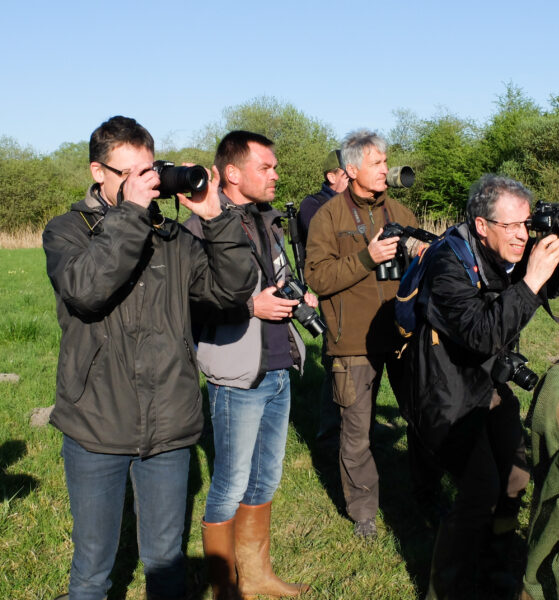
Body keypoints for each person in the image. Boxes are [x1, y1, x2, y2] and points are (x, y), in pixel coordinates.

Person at [42, 116, 257, 600]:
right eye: (130, 173)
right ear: (99, 172)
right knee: (93, 571)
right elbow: (86, 291)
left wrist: (215, 217)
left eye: (150, 171)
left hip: (169, 423)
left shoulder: (173, 238)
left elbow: (233, 290)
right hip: (96, 422)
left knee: (165, 563)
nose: (146, 183)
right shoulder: (67, 232)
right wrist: (133, 215)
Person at [403, 174, 559, 598]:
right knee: (479, 489)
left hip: (488, 379)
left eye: (526, 224)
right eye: (511, 226)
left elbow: (555, 284)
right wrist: (531, 281)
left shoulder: (506, 251)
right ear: (481, 225)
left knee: (515, 475)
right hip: (445, 389)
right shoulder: (447, 263)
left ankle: (497, 561)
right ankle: (447, 587)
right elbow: (480, 333)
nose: (522, 235)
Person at [185, 130, 314, 599]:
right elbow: (194, 302)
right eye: (267, 167)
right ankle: (224, 585)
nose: (276, 174)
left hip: (278, 367)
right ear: (233, 173)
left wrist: (298, 298)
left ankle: (257, 576)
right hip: (236, 374)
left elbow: (271, 281)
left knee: (266, 477)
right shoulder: (201, 227)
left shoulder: (268, 221)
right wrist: (248, 309)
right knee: (230, 481)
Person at [304, 129, 419, 539]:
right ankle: (364, 513)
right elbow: (316, 278)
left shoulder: (402, 213)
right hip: (352, 342)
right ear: (351, 170)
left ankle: (425, 497)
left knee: (421, 419)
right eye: (377, 163)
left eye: (386, 162)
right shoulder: (328, 216)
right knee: (356, 432)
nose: (386, 169)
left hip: (404, 338)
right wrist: (366, 258)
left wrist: (420, 255)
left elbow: (424, 273)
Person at [297, 149, 349, 449]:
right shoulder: (313, 205)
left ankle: (355, 428)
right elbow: (332, 240)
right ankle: (330, 434)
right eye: (346, 174)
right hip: (329, 292)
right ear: (331, 176)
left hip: (354, 291)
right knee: (337, 363)